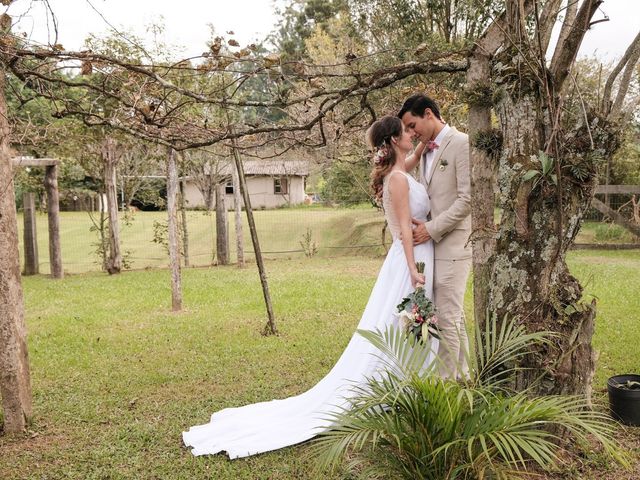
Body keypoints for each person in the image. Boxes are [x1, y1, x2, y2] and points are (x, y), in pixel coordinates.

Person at [182, 116, 434, 458]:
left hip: (406, 258)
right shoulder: (399, 181)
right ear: (392, 140)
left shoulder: (398, 171)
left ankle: (407, 386)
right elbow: (404, 229)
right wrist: (413, 272)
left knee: (398, 327)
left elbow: (412, 160)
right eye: (406, 131)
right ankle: (394, 390)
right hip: (410, 260)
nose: (411, 133)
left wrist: (429, 140)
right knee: (401, 326)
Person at [398, 94, 472, 380]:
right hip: (432, 249)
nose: (411, 132)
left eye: (413, 124)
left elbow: (467, 200)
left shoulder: (461, 143)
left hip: (454, 245)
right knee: (452, 315)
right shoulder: (425, 151)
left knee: (447, 317)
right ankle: (462, 378)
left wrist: (429, 228)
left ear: (429, 113)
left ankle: (447, 385)